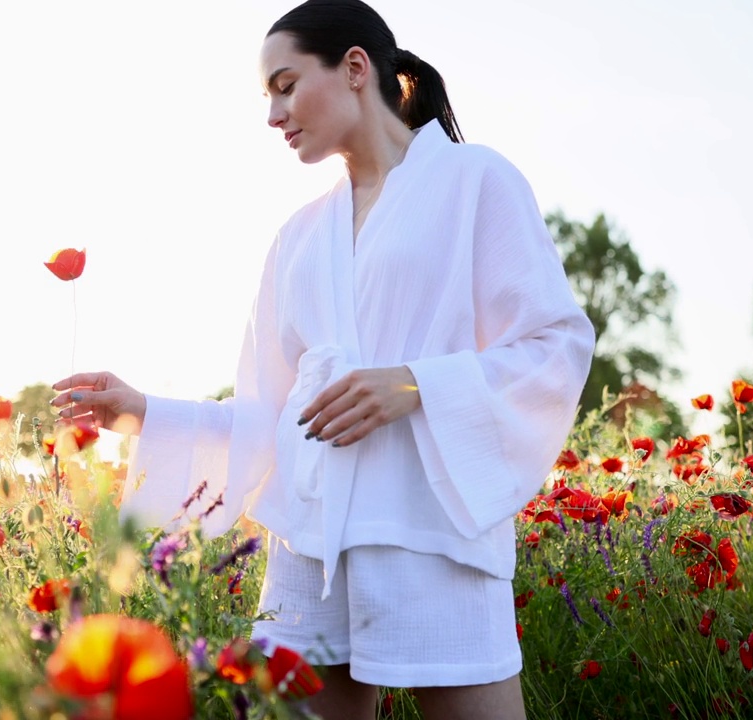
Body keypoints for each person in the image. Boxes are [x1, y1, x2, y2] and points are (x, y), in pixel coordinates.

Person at [50, 1, 594, 717]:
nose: (273, 114)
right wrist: (145, 411)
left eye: (285, 84)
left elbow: (555, 344)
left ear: (356, 68)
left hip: (429, 526)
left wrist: (416, 384)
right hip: (311, 540)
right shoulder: (300, 235)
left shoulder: (476, 181)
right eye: (267, 96)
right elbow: (270, 412)